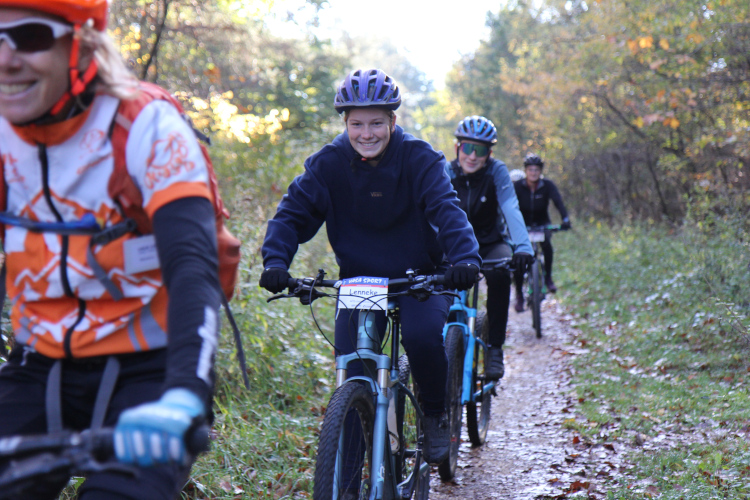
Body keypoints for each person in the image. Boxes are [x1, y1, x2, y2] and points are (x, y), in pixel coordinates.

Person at [0, 2, 222, 499]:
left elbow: (193, 268)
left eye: (31, 36)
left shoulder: (147, 127)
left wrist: (185, 394)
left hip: (150, 371)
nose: (5, 58)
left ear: (82, 46)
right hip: (38, 367)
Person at [259, 68, 481, 473]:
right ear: (345, 123)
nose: (367, 133)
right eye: (357, 123)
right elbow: (291, 215)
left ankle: (434, 414)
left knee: (419, 336)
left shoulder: (420, 158)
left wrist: (464, 259)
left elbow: (447, 210)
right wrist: (276, 262)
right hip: (362, 282)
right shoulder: (328, 164)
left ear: (393, 122)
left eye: (376, 122)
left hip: (420, 277)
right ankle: (346, 477)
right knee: (353, 367)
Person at [446, 116, 533, 380]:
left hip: (490, 242)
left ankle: (494, 348)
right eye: (467, 148)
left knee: (499, 275)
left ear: (489, 154)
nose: (472, 156)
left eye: (480, 150)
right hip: (453, 245)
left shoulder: (497, 171)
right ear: (457, 148)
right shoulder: (445, 171)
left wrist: (522, 247)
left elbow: (510, 207)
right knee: (436, 282)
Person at [513, 153, 571, 310]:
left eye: (536, 170)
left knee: (547, 246)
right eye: (530, 169)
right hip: (522, 225)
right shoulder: (517, 186)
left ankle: (548, 278)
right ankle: (519, 294)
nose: (533, 173)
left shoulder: (547, 185)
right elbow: (509, 205)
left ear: (540, 171)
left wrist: (565, 219)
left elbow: (558, 201)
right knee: (518, 258)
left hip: (542, 223)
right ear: (525, 170)